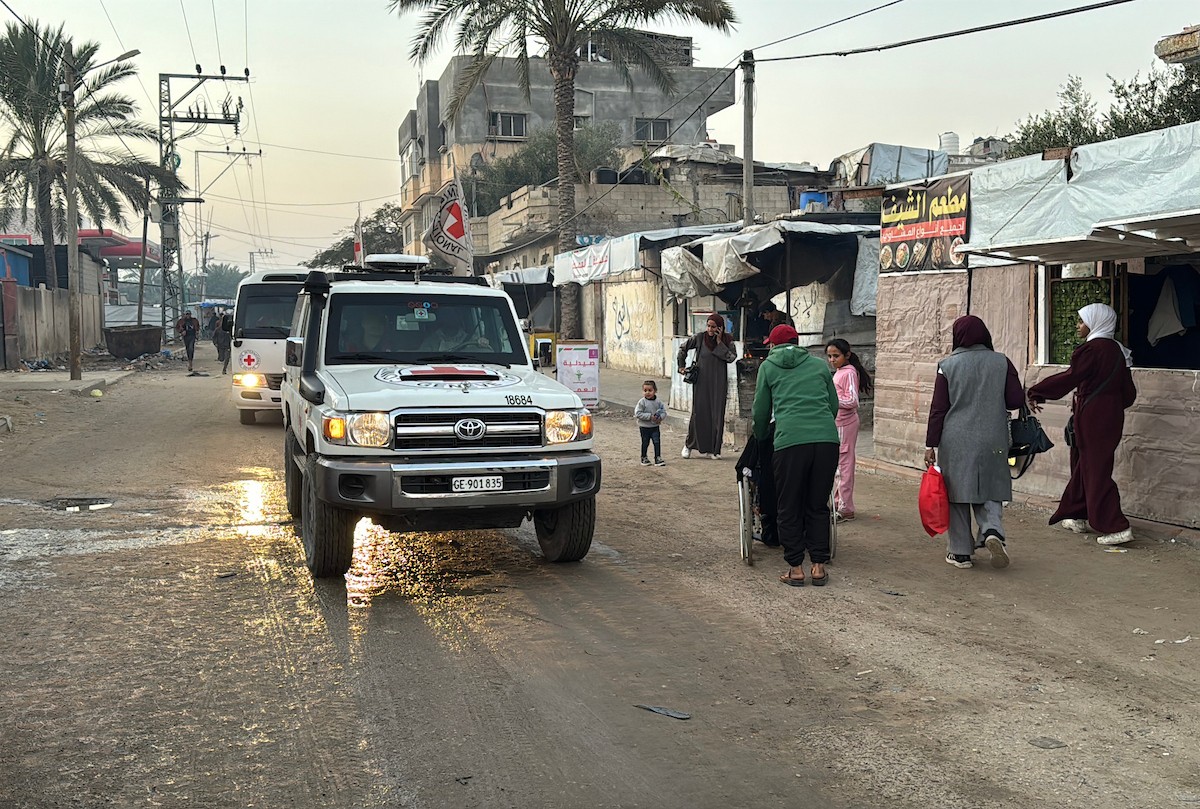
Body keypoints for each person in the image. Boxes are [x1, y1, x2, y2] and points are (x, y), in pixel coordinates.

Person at [1027, 303, 1138, 546]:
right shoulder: (1118, 351)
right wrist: (1109, 405)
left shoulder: (1092, 350)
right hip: (1110, 416)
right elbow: (1129, 394)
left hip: (1092, 416)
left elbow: (1071, 377)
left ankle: (1116, 525)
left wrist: (1036, 391)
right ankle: (1077, 514)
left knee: (1095, 470)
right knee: (1085, 464)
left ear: (1095, 322)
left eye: (1081, 321)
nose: (1078, 325)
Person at [924, 316, 1025, 570]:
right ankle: (992, 531)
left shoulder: (947, 365)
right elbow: (1015, 400)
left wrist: (930, 444)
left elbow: (938, 409)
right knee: (990, 486)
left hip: (955, 437)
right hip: (993, 436)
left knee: (957, 494)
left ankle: (960, 553)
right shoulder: (1002, 362)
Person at [752, 324, 840, 587]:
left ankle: (795, 568)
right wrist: (820, 426)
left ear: (773, 345)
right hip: (826, 442)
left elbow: (760, 411)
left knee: (788, 505)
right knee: (816, 505)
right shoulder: (819, 366)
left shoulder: (767, 367)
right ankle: (818, 566)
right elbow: (833, 405)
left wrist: (761, 436)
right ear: (797, 342)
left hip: (790, 442)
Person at [825, 339, 874, 521]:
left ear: (847, 355)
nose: (832, 360)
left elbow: (853, 401)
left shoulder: (849, 373)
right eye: (829, 356)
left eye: (835, 356)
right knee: (838, 465)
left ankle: (845, 507)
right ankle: (838, 502)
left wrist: (831, 402)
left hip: (846, 424)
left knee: (844, 466)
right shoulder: (840, 372)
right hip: (838, 423)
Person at [677, 314, 736, 459]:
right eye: (708, 326)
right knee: (699, 413)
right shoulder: (699, 338)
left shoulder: (728, 341)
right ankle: (689, 445)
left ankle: (714, 449)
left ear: (720, 328)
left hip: (719, 382)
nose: (710, 329)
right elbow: (682, 349)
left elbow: (731, 358)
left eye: (714, 327)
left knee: (716, 415)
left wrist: (719, 342)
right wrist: (681, 366)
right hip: (702, 382)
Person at [634, 380, 667, 467]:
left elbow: (663, 412)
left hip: (655, 426)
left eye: (650, 390)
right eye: (645, 390)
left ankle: (658, 458)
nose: (647, 393)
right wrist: (649, 416)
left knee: (657, 442)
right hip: (644, 427)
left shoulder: (658, 402)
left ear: (655, 391)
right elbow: (637, 413)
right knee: (645, 442)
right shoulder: (642, 402)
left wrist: (660, 417)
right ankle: (644, 457)